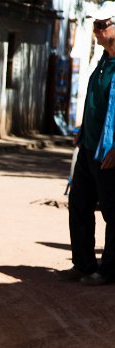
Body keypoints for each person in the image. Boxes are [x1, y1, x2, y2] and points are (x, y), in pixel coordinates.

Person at [59, 2, 115, 286]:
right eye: (95, 25)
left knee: (112, 211)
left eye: (102, 25)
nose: (96, 30)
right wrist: (82, 126)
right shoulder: (103, 61)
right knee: (78, 204)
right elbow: (95, 99)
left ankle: (109, 271)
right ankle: (83, 263)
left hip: (109, 152)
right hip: (89, 147)